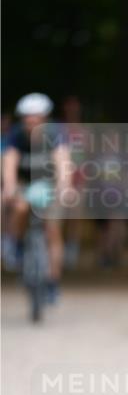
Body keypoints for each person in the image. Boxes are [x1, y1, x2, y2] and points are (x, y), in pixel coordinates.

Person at [1, 93, 71, 301]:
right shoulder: (16, 136)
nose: (31, 123)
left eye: (36, 119)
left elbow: (63, 162)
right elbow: (10, 164)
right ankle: (16, 244)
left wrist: (64, 187)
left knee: (52, 230)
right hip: (25, 184)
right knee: (20, 207)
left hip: (49, 186)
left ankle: (52, 282)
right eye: (27, 119)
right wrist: (10, 188)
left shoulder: (55, 134)